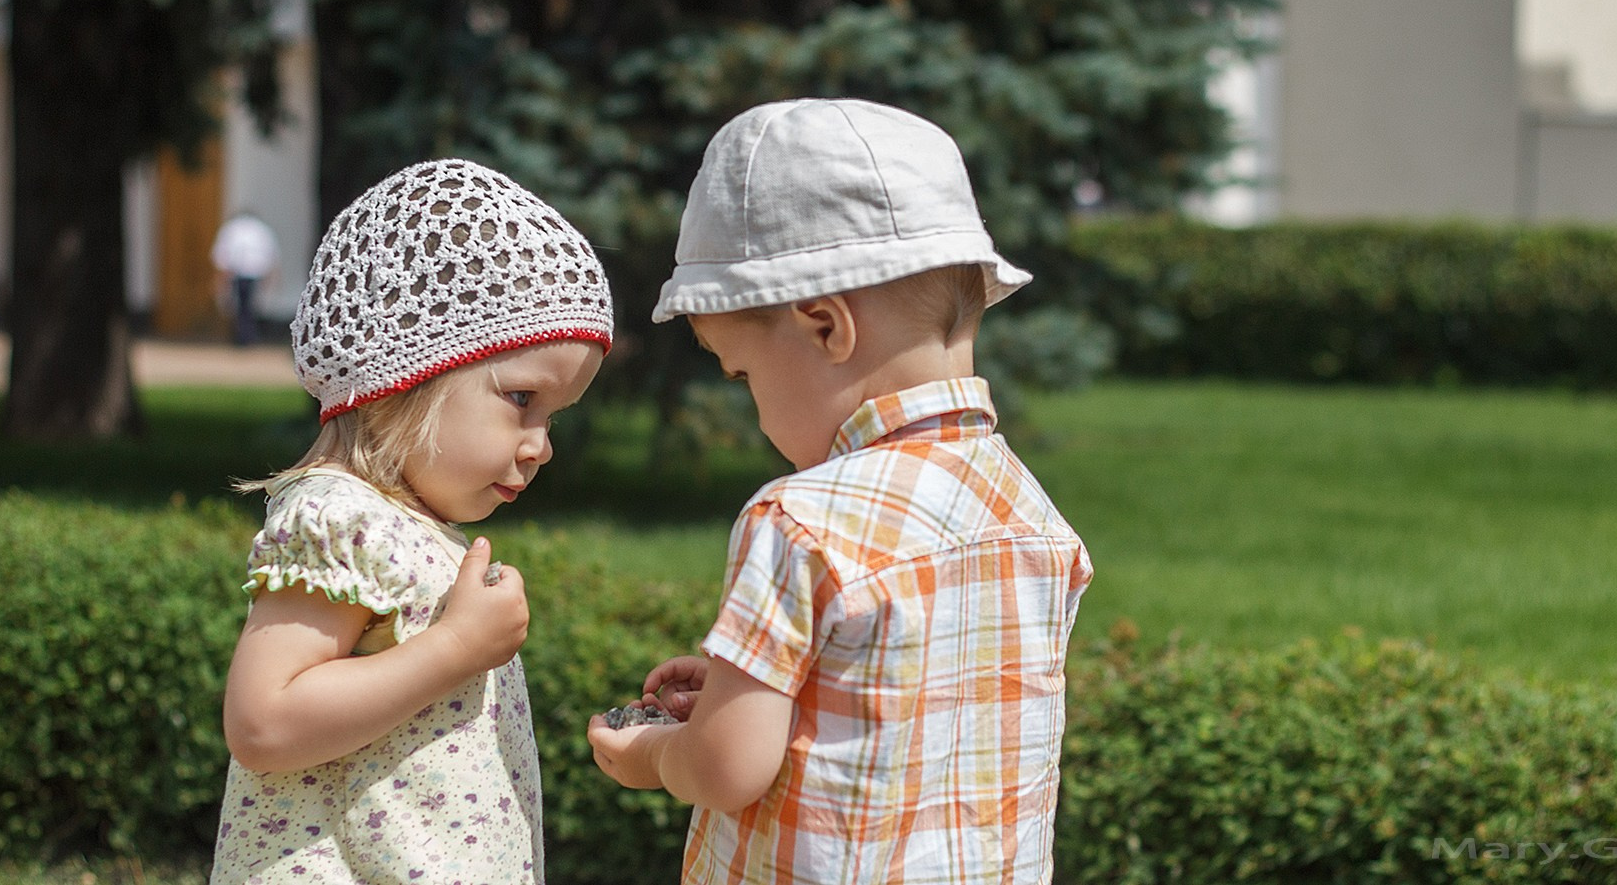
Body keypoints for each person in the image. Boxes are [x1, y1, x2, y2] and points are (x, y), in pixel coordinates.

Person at [587, 99, 1094, 885]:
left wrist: (653, 752)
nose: (751, 406)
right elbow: (915, 698)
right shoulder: (1032, 515)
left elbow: (726, 765)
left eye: (742, 372)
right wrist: (740, 685)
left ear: (826, 326)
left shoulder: (801, 518)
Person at [210, 159, 613, 885]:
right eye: (523, 398)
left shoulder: (408, 522)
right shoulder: (338, 517)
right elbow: (264, 722)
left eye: (554, 416)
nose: (541, 443)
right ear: (411, 372)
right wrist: (454, 646)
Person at [210, 210, 282, 346]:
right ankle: (247, 336)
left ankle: (245, 336)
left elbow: (223, 253)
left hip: (238, 272)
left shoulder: (232, 228)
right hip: (253, 272)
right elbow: (271, 254)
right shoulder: (261, 229)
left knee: (242, 306)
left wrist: (221, 275)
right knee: (248, 306)